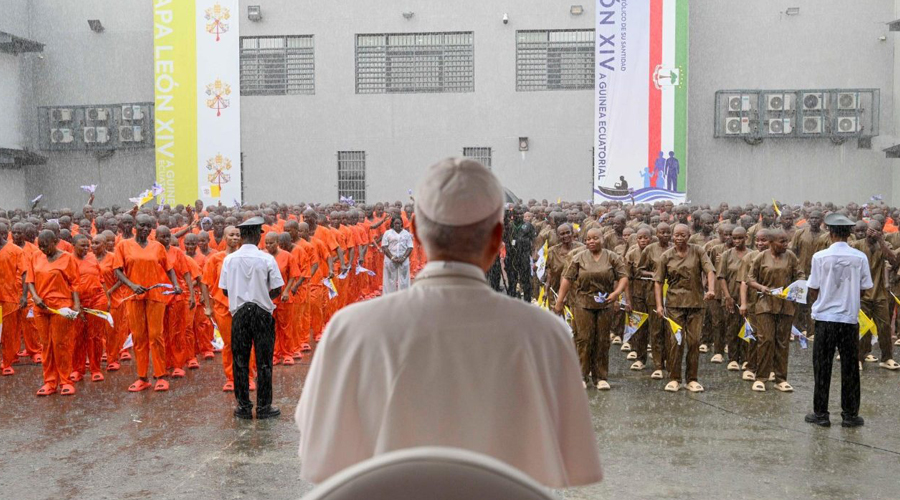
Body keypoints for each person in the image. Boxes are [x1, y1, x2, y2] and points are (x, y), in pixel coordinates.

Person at [296, 158, 602, 488]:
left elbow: (319, 461)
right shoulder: (545, 334)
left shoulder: (351, 330)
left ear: (414, 230)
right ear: (497, 237)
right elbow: (573, 466)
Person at [805, 213, 872, 428]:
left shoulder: (820, 257)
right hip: (849, 319)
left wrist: (827, 298)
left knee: (822, 367)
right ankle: (850, 415)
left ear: (830, 232)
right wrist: (847, 298)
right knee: (850, 368)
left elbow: (813, 288)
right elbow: (864, 289)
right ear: (849, 233)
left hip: (825, 319)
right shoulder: (860, 257)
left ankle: (821, 414)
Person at [219, 217, 284, 419]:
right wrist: (263, 296)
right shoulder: (267, 259)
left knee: (240, 361)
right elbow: (277, 288)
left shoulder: (229, 260)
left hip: (239, 313)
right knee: (264, 361)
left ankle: (244, 407)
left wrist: (241, 295)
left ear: (242, 236)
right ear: (256, 236)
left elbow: (225, 290)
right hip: (262, 312)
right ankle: (264, 407)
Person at [113, 214, 182, 392]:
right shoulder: (123, 246)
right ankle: (142, 377)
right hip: (134, 296)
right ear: (135, 226)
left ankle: (160, 375)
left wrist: (175, 285)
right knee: (138, 336)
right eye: (142, 225)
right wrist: (132, 285)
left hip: (155, 295)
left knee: (156, 335)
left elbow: (169, 268)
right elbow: (117, 271)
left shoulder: (157, 247)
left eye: (148, 226)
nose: (145, 229)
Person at [555, 227, 630, 390]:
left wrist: (616, 293)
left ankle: (600, 376)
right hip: (583, 302)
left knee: (602, 340)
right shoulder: (578, 258)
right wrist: (560, 301)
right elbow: (567, 279)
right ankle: (582, 375)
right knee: (584, 339)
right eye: (588, 239)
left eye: (595, 238)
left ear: (602, 239)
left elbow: (623, 277)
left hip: (605, 303)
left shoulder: (612, 257)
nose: (591, 241)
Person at [654, 224, 717, 393]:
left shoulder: (698, 251)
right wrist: (659, 305)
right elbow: (658, 282)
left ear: (689, 236)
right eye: (676, 235)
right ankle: (674, 378)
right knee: (675, 342)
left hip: (696, 304)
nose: (679, 238)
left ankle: (692, 379)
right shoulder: (666, 256)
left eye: (683, 235)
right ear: (672, 237)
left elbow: (710, 271)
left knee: (694, 342)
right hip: (674, 304)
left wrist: (711, 289)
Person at [747, 229, 805, 392]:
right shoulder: (761, 257)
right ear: (771, 242)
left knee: (782, 341)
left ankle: (781, 379)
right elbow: (750, 279)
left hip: (786, 305)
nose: (786, 244)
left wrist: (795, 288)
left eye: (787, 241)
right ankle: (761, 377)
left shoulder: (791, 256)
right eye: (782, 241)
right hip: (765, 304)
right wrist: (761, 287)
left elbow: (800, 275)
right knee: (766, 340)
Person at [27, 230, 80, 396]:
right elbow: (30, 281)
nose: (43, 249)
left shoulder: (67, 258)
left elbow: (75, 283)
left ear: (55, 242)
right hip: (41, 307)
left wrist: (77, 305)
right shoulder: (36, 257)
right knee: (46, 345)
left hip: (61, 307)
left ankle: (66, 381)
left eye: (46, 246)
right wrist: (35, 297)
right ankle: (50, 382)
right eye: (40, 246)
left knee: (61, 344)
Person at [0, 222, 28, 376]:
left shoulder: (16, 251)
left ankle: (7, 362)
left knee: (9, 332)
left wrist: (24, 295)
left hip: (9, 297)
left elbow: (24, 273)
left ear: (4, 234)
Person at [381, 217, 413, 294]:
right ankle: (389, 296)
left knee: (404, 280)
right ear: (392, 223)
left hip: (403, 259)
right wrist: (392, 257)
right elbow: (384, 246)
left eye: (399, 223)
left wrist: (404, 257)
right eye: (395, 223)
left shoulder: (406, 233)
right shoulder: (387, 233)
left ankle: (404, 295)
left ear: (401, 223)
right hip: (390, 259)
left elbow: (410, 247)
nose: (397, 225)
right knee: (389, 279)